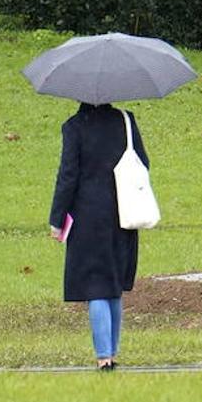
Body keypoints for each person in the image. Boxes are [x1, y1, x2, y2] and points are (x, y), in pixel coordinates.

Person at [49, 102, 150, 370]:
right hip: (123, 213)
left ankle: (103, 356)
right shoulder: (126, 120)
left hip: (87, 217)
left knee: (95, 286)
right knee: (113, 285)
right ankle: (113, 352)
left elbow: (67, 176)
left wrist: (56, 219)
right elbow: (144, 163)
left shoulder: (74, 127)